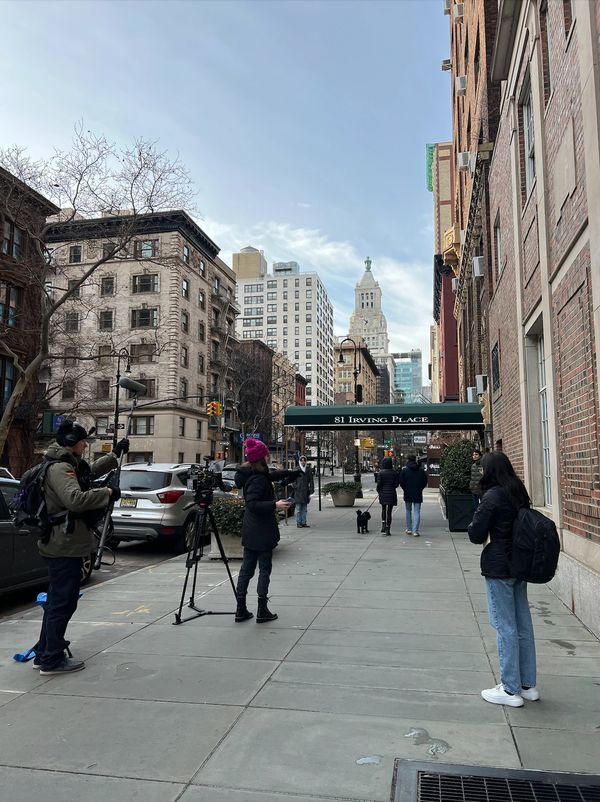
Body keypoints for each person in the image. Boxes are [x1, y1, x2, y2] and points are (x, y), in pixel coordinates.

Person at [34, 420, 128, 675]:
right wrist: (107, 492)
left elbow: (87, 473)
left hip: (65, 542)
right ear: (72, 443)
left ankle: (45, 651)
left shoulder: (66, 462)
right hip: (64, 544)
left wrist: (113, 456)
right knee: (63, 602)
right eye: (83, 441)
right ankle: (51, 659)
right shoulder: (60, 467)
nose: (86, 444)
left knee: (58, 600)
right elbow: (74, 499)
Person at [468, 452, 537, 708]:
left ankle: (509, 689)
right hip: (519, 564)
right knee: (522, 625)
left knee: (504, 625)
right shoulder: (518, 492)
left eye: (483, 469)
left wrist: (477, 511)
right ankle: (527, 684)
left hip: (499, 566)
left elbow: (476, 533)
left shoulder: (493, 496)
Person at [234, 438, 300, 623]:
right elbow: (253, 504)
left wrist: (291, 472)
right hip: (261, 530)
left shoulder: (252, 473)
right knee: (263, 569)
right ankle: (262, 610)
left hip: (251, 529)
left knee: (246, 570)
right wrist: (275, 504)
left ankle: (241, 609)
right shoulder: (257, 479)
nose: (269, 456)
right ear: (261, 458)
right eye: (266, 454)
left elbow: (272, 476)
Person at [399, 454, 428, 537]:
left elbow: (401, 482)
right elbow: (425, 481)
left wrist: (405, 489)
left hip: (408, 493)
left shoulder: (404, 470)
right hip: (418, 493)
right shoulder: (421, 470)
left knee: (408, 511)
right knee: (417, 511)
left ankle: (409, 529)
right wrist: (420, 488)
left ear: (408, 460)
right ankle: (415, 530)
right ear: (415, 460)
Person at [376, 456, 400, 536]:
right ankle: (388, 529)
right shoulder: (394, 473)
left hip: (383, 493)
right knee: (389, 512)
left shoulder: (381, 473)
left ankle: (383, 524)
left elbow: (379, 484)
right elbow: (396, 484)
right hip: (391, 493)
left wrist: (378, 491)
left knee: (383, 509)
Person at [293, 455, 314, 528]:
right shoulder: (296, 469)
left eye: (304, 460)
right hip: (298, 492)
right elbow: (293, 480)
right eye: (301, 460)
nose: (303, 462)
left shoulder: (308, 470)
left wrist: (311, 490)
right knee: (298, 509)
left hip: (305, 491)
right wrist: (296, 487)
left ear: (306, 461)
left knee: (304, 509)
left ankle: (304, 522)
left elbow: (311, 480)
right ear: (299, 461)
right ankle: (299, 523)